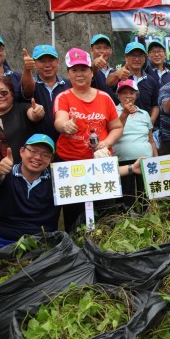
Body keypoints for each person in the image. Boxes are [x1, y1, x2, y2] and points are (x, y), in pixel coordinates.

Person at [0, 134, 142, 254]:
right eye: (33, 151)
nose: (38, 157)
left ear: (51, 159)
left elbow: (95, 177)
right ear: (22, 151)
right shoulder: (7, 173)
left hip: (44, 243)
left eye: (45, 154)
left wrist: (130, 169)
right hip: (4, 239)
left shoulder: (57, 177)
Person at [53, 47, 123, 231]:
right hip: (71, 167)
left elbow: (116, 127)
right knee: (75, 219)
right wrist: (65, 125)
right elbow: (59, 120)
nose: (79, 74)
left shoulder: (105, 98)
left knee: (105, 216)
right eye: (74, 70)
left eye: (83, 69)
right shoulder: (63, 97)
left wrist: (107, 143)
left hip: (100, 164)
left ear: (91, 72)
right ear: (68, 73)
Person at [112, 80, 157, 208]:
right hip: (122, 161)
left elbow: (151, 139)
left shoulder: (144, 114)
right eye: (124, 93)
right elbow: (113, 132)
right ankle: (126, 220)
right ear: (118, 95)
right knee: (126, 197)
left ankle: (146, 218)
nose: (128, 96)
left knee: (146, 196)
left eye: (131, 92)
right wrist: (125, 113)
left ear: (136, 95)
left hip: (145, 160)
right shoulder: (112, 111)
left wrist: (156, 159)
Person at [0, 75, 45, 163]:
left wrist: (37, 112)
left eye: (4, 92)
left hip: (28, 170)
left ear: (12, 94)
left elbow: (33, 114)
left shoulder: (22, 109)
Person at [20, 44, 71, 142]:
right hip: (40, 145)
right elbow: (27, 89)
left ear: (58, 62)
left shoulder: (69, 85)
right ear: (34, 63)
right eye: (42, 61)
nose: (47, 65)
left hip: (68, 144)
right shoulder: (31, 83)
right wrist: (27, 69)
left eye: (51, 60)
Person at [120, 42, 160, 125]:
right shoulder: (119, 77)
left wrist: (151, 121)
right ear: (126, 57)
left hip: (144, 125)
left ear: (145, 58)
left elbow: (155, 104)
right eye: (133, 55)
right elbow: (108, 83)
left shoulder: (151, 80)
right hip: (123, 124)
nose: (137, 59)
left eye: (140, 55)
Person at [88, 34, 117, 100]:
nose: (102, 51)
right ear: (91, 50)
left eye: (106, 48)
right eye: (98, 48)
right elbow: (91, 71)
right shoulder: (86, 70)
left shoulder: (115, 72)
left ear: (111, 50)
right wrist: (94, 64)